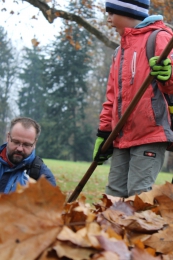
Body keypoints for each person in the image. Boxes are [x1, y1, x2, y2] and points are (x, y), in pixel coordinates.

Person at [93, 0, 173, 198]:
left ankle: (142, 229)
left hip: (150, 133)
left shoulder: (159, 38)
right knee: (113, 196)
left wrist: (168, 74)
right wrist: (104, 133)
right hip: (121, 137)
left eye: (111, 13)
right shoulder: (119, 52)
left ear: (128, 12)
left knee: (138, 197)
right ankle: (111, 230)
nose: (108, 19)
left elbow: (170, 84)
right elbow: (112, 98)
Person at [0, 117, 56, 193]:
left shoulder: (43, 177)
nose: (20, 148)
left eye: (26, 144)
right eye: (16, 142)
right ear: (8, 137)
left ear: (34, 143)